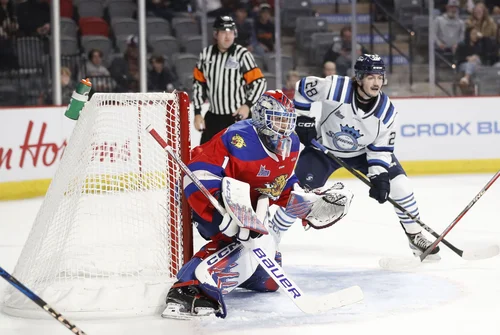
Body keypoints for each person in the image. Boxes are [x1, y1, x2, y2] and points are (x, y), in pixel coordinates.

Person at [162, 90, 353, 319]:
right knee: (236, 240)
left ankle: (248, 271)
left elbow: (279, 184)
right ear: (262, 116)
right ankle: (188, 289)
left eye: (287, 120)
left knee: (268, 278)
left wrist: (308, 205)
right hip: (210, 201)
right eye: (278, 118)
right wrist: (225, 208)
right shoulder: (236, 137)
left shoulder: (291, 143)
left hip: (251, 209)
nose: (284, 126)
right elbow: (198, 173)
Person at [292, 54, 440, 259]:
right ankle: (271, 235)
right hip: (324, 149)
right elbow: (302, 87)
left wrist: (379, 177)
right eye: (371, 77)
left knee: (400, 185)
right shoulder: (336, 87)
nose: (377, 83)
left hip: (363, 153)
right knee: (295, 194)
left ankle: (415, 236)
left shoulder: (386, 112)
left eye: (380, 77)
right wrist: (303, 118)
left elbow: (380, 149)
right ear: (359, 78)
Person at [193, 16, 266, 145]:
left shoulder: (242, 54)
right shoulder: (206, 54)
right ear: (216, 34)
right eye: (223, 32)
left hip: (237, 117)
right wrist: (197, 112)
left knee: (239, 157)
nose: (228, 36)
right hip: (213, 117)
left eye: (231, 32)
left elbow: (259, 82)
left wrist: (247, 105)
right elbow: (199, 84)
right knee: (206, 156)